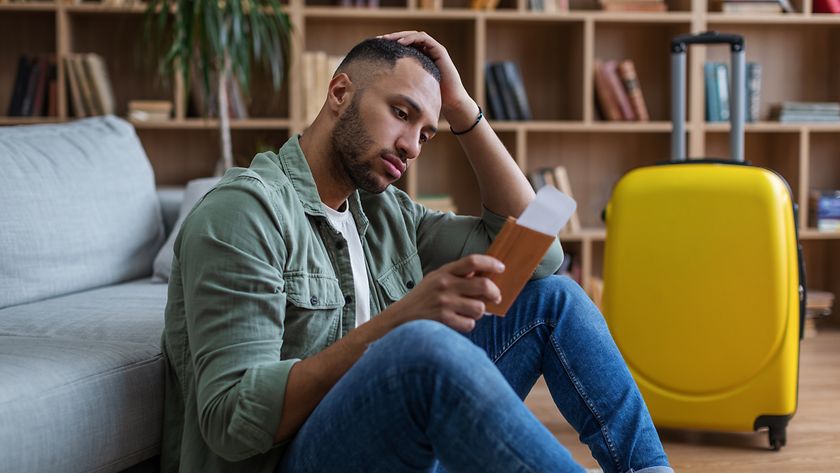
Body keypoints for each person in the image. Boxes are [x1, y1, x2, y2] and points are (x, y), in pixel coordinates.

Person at [160, 31, 673, 473]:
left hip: (389, 440)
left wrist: (463, 110)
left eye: (426, 133)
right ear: (340, 92)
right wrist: (402, 320)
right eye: (401, 114)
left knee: (553, 299)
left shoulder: (384, 212)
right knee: (422, 347)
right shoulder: (245, 212)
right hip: (292, 460)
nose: (411, 146)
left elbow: (540, 256)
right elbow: (231, 422)